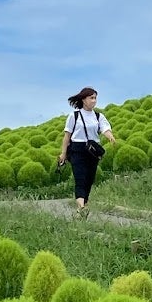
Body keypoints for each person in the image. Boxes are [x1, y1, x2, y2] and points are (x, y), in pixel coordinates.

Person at [58, 87, 116, 218]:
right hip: (77, 150)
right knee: (80, 179)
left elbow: (105, 128)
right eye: (91, 98)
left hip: (92, 151)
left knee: (89, 180)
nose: (94, 101)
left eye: (95, 98)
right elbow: (67, 136)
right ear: (84, 100)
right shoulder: (74, 115)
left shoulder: (98, 116)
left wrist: (110, 136)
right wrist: (63, 153)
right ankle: (81, 207)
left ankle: (84, 206)